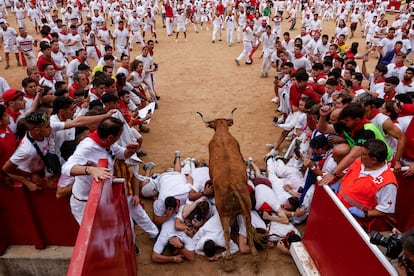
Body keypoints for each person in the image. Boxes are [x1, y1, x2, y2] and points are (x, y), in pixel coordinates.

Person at [62, 117, 140, 224]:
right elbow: (66, 168)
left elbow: (121, 154)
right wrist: (91, 170)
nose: (119, 138)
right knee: (95, 237)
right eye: (118, 136)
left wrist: (130, 151)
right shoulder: (87, 147)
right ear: (110, 137)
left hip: (102, 198)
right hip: (85, 203)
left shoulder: (108, 142)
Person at [335, 139, 398, 232]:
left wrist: (365, 213)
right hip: (336, 207)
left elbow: (385, 210)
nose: (361, 156)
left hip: (353, 221)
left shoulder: (388, 184)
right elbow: (349, 174)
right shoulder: (360, 161)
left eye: (364, 154)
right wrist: (339, 182)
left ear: (374, 160)